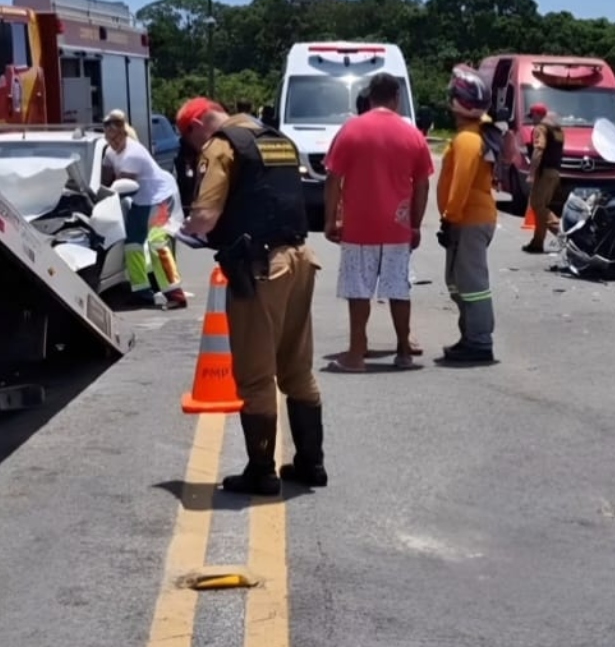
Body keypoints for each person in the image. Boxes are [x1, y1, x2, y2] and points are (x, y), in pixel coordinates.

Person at [175, 96, 326, 495]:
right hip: (300, 259)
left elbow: (205, 216)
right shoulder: (277, 139)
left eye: (190, 140)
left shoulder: (223, 145)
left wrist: (186, 227)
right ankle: (312, 463)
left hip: (261, 268)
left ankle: (262, 472)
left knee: (256, 374)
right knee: (297, 367)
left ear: (195, 127)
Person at [322, 72, 434, 372]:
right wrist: (414, 224)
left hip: (359, 227)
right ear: (396, 98)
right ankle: (403, 352)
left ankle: (356, 355)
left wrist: (330, 220)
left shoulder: (350, 131)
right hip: (397, 227)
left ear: (370, 98)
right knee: (398, 288)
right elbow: (422, 184)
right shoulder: (412, 134)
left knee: (358, 289)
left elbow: (333, 179)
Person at [436, 66, 501, 364]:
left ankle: (479, 341)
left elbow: (460, 183)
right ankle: (470, 336)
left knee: (472, 283)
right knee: (459, 280)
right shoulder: (474, 134)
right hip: (471, 219)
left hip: (469, 220)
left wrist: (450, 217)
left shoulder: (467, 140)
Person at [101, 111, 186, 310]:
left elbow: (120, 183)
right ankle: (142, 292)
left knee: (158, 243)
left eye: (114, 137)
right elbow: (104, 181)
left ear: (123, 133)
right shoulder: (110, 152)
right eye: (108, 138)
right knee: (132, 245)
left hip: (160, 197)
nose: (111, 142)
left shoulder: (133, 153)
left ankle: (176, 294)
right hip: (141, 199)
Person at [522, 102, 564, 255]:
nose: (532, 119)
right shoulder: (557, 129)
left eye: (532, 116)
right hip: (555, 172)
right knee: (541, 206)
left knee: (537, 205)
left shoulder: (541, 128)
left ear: (538, 115)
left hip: (544, 172)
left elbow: (539, 149)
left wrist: (532, 173)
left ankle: (563, 233)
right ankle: (537, 243)